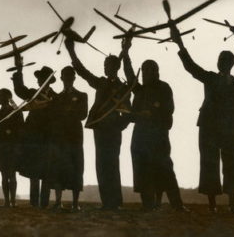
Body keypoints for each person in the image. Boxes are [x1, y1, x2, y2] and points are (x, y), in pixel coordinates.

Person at [171, 25, 234, 213]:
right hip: (209, 128)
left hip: (230, 130)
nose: (221, 63)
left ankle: (232, 205)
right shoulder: (210, 78)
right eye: (220, 60)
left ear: (230, 64)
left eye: (224, 61)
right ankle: (212, 205)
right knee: (209, 163)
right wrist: (179, 42)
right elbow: (191, 67)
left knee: (233, 165)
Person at [64, 37, 129, 210]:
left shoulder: (123, 88)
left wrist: (119, 125)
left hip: (114, 130)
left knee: (112, 163)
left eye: (108, 66)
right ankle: (107, 202)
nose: (105, 68)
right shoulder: (100, 82)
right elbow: (82, 71)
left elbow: (127, 112)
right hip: (100, 128)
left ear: (115, 68)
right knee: (101, 164)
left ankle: (116, 202)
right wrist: (71, 50)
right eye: (105, 66)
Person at [122, 37, 186, 211]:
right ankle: (148, 205)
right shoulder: (139, 90)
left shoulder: (164, 88)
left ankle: (177, 205)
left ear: (156, 72)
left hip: (158, 136)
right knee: (142, 171)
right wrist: (125, 52)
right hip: (140, 137)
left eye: (149, 70)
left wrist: (152, 114)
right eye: (143, 71)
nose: (146, 74)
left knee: (165, 170)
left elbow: (168, 110)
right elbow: (129, 75)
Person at [12, 65, 57, 208]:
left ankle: (44, 203)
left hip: (48, 138)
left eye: (42, 79)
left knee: (47, 172)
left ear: (48, 81)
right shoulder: (33, 93)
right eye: (38, 78)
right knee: (33, 172)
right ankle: (34, 203)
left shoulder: (56, 97)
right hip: (32, 139)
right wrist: (18, 71)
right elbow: (19, 90)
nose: (39, 81)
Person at [47, 66, 88, 211]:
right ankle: (58, 201)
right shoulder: (56, 97)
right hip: (59, 137)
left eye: (71, 75)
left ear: (74, 78)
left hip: (74, 136)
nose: (68, 78)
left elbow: (83, 114)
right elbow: (52, 116)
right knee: (58, 167)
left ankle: (75, 203)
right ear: (61, 78)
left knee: (76, 166)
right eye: (65, 75)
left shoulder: (82, 95)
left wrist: (66, 112)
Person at [0, 88, 23, 207]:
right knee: (4, 175)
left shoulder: (16, 111)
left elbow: (21, 128)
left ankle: (13, 201)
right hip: (1, 147)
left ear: (7, 98)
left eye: (0, 95)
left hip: (12, 147)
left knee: (12, 175)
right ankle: (7, 200)